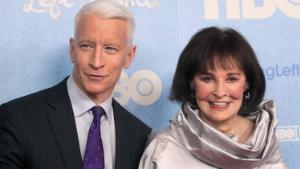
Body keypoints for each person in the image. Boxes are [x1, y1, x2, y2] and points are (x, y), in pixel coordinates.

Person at [0, 1, 151, 169]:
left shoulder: (140, 136)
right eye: (87, 46)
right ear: (73, 50)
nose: (96, 61)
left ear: (129, 56)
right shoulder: (16, 118)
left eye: (110, 49)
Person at [138, 26, 287, 169]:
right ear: (191, 82)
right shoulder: (163, 149)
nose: (220, 92)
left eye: (232, 79)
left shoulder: (264, 142)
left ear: (247, 83)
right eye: (207, 79)